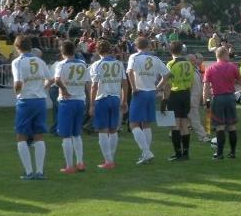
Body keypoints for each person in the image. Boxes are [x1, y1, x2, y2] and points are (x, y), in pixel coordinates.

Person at [12, 35, 52, 180]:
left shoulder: (18, 62)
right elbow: (51, 78)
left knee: (21, 136)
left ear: (17, 47)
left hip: (26, 100)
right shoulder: (39, 61)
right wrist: (43, 88)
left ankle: (29, 172)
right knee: (39, 136)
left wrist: (17, 93)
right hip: (40, 100)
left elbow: (18, 83)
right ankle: (40, 172)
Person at [126, 37, 170, 165]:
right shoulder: (155, 59)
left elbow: (129, 71)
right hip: (151, 92)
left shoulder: (134, 57)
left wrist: (133, 87)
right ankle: (146, 153)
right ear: (148, 46)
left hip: (140, 91)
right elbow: (167, 74)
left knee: (133, 124)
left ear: (136, 46)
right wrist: (158, 87)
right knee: (146, 124)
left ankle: (146, 152)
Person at [203, 47, 241, 159]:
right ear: (223, 54)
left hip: (218, 98)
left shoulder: (210, 69)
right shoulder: (232, 67)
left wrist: (206, 102)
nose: (229, 56)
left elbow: (206, 88)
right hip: (230, 98)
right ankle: (232, 152)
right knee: (232, 126)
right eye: (228, 54)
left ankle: (219, 154)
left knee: (220, 127)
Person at [89, 40, 128, 169]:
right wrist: (124, 100)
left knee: (102, 130)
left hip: (102, 98)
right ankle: (111, 158)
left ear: (98, 50)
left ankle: (108, 160)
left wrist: (91, 104)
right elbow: (124, 83)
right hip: (115, 98)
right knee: (113, 130)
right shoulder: (118, 63)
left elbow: (94, 86)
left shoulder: (97, 64)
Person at [53, 40, 90, 173]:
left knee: (66, 135)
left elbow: (57, 80)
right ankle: (80, 163)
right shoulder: (82, 64)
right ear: (74, 51)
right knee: (76, 134)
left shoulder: (61, 64)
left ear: (62, 52)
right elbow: (87, 83)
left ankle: (69, 166)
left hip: (67, 101)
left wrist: (64, 89)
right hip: (80, 100)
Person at [163, 41, 195, 161]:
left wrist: (164, 99)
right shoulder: (188, 63)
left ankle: (178, 153)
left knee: (175, 125)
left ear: (170, 51)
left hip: (175, 94)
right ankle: (186, 153)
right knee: (184, 124)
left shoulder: (171, 64)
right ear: (181, 50)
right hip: (186, 94)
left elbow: (167, 84)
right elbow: (191, 82)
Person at [187, 53, 210, 142]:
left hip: (195, 97)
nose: (196, 61)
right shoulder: (189, 71)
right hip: (191, 98)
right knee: (195, 118)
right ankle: (203, 136)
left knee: (186, 118)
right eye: (194, 59)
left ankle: (174, 132)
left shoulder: (195, 69)